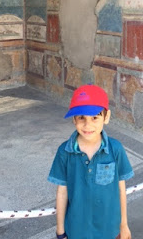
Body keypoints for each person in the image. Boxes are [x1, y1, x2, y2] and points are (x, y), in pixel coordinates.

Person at [48, 84, 134, 239]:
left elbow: (121, 189)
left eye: (95, 117)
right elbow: (62, 192)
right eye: (81, 117)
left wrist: (124, 224)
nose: (88, 125)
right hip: (76, 230)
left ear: (106, 117)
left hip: (109, 229)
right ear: (74, 119)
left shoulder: (115, 149)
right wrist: (60, 231)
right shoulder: (64, 152)